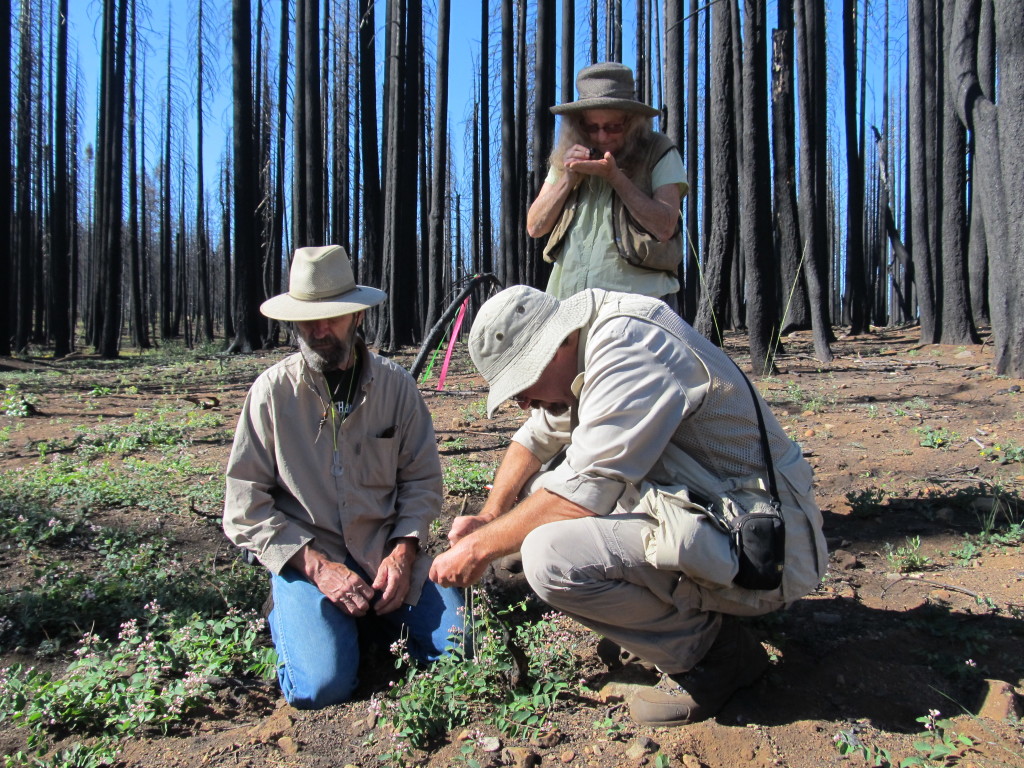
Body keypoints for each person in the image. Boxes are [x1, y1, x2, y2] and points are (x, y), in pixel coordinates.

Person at [430, 286, 827, 726]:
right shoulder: (584, 347)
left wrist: (478, 548)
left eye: (522, 385)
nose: (523, 403)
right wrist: (490, 517)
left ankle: (713, 657)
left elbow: (583, 493)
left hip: (768, 549)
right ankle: (676, 612)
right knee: (535, 496)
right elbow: (535, 438)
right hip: (724, 516)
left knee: (549, 555)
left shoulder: (628, 347)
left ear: (557, 343)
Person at [223, 244, 464, 709]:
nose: (319, 330)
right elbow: (244, 504)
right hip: (308, 562)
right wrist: (315, 567)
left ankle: (368, 625)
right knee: (322, 686)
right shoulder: (271, 394)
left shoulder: (396, 387)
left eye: (332, 317)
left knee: (460, 651)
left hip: (384, 554)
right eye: (307, 319)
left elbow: (422, 483)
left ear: (357, 318)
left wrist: (403, 550)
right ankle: (298, 615)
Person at [526, 62, 687, 303]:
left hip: (637, 310)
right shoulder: (568, 156)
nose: (602, 136)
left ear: (631, 122)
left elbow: (664, 226)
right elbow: (535, 227)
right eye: (592, 127)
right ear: (579, 123)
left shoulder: (659, 151)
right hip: (570, 308)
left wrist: (615, 177)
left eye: (613, 127)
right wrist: (568, 179)